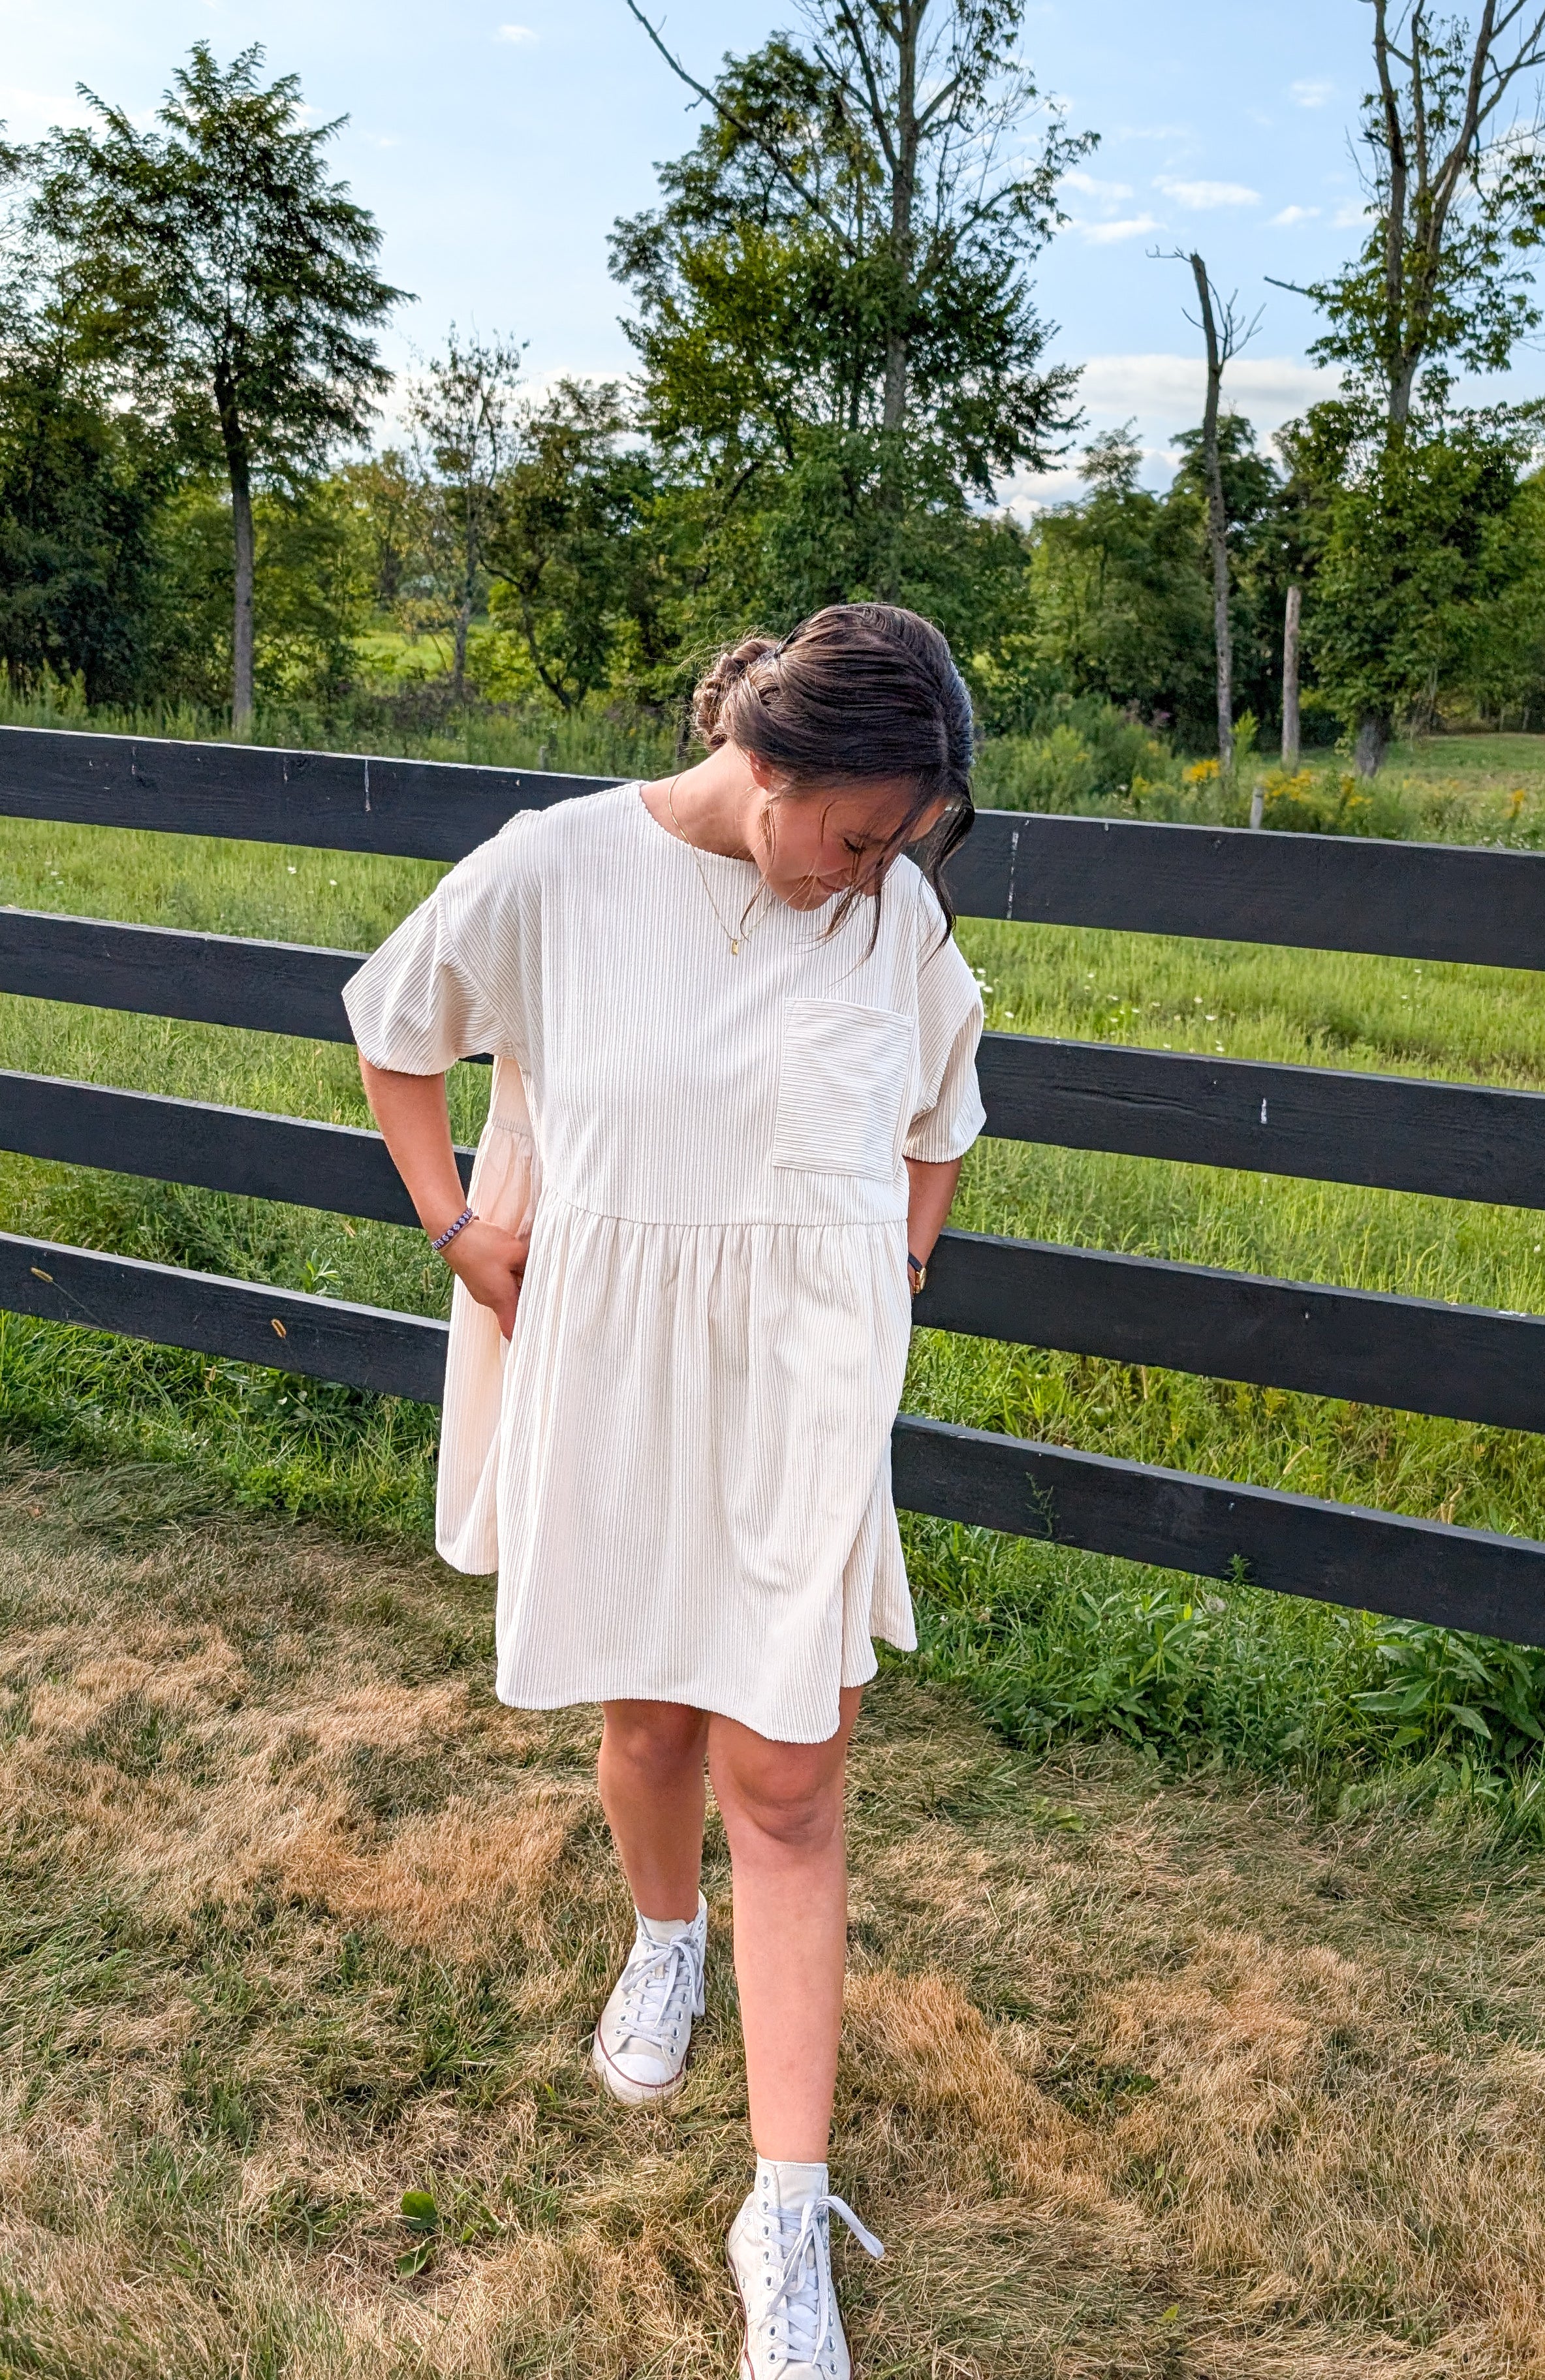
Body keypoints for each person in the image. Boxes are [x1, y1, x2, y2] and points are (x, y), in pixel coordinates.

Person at [343, 602, 985, 2379]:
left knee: (788, 1778)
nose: (870, 879)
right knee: (649, 1730)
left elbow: (942, 1113)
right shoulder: (554, 872)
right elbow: (398, 1026)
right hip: (621, 1386)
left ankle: (783, 2207)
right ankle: (662, 1936)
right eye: (855, 838)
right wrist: (461, 1227)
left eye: (900, 852)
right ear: (764, 768)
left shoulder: (895, 912)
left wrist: (895, 1276)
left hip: (805, 1400)